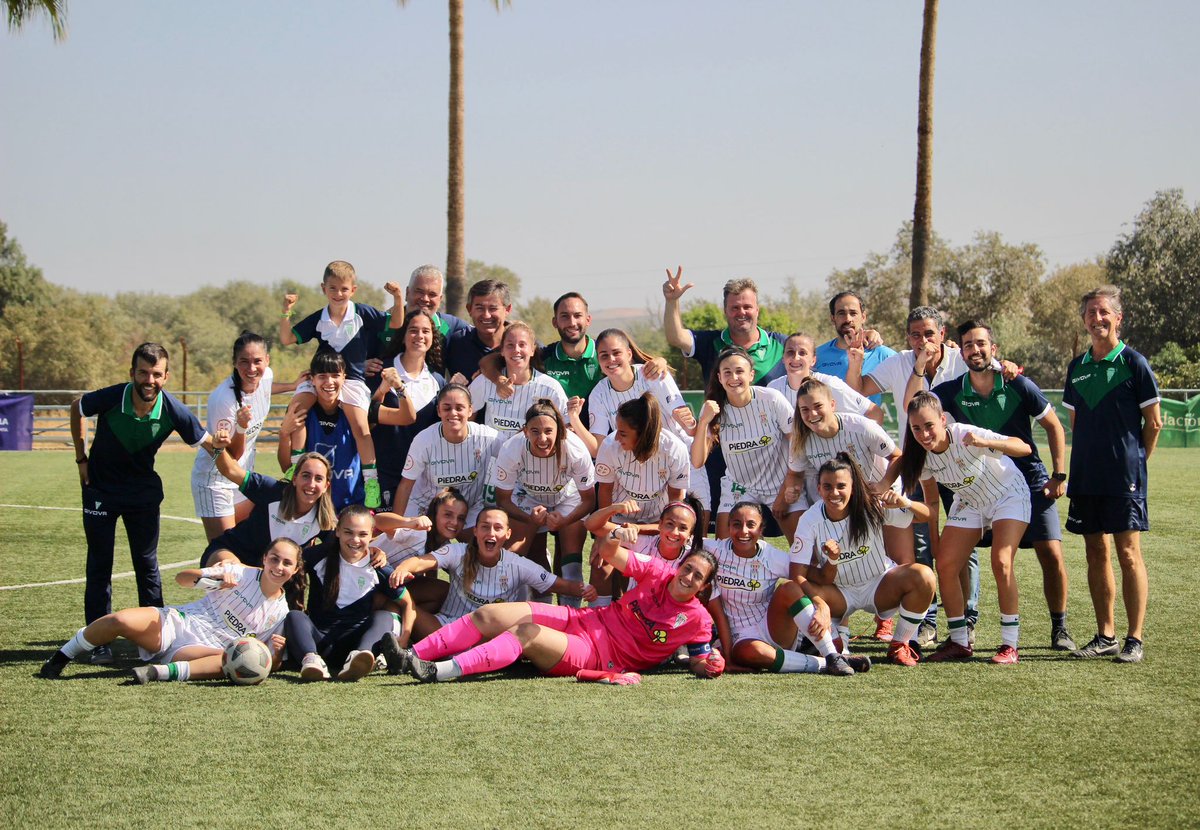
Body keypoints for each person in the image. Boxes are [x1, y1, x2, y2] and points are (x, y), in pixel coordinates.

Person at [377, 516, 725, 684]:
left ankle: (437, 672)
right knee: (490, 614)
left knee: (525, 633)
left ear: (704, 588)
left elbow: (699, 660)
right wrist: (618, 533)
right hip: (586, 620)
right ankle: (408, 657)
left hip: (600, 655)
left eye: (697, 576)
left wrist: (710, 666)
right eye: (688, 569)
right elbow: (607, 550)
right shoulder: (660, 572)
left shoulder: (698, 620)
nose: (688, 576)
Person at [932, 320, 1076, 651]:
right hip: (983, 484)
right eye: (968, 345)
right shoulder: (951, 391)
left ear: (993, 349)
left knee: (1050, 552)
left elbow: (1054, 427)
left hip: (1029, 477)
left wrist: (1058, 475)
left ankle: (1060, 628)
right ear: (961, 352)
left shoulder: (1018, 384)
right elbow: (922, 407)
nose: (975, 350)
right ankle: (965, 629)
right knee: (957, 557)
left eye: (981, 343)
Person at [70, 342, 215, 665]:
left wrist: (239, 438)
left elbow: (209, 444)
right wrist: (81, 458)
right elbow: (77, 406)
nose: (149, 380)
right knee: (99, 565)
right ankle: (97, 641)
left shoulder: (173, 409)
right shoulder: (112, 397)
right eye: (143, 373)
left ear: (166, 376)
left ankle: (156, 640)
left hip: (142, 494)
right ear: (132, 373)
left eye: (156, 374)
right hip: (101, 491)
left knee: (147, 565)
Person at [853, 306, 972, 648]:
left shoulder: (961, 359)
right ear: (908, 337)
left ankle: (967, 619)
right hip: (919, 463)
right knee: (923, 541)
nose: (923, 341)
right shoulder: (900, 361)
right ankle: (927, 619)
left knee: (963, 545)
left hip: (960, 461)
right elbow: (861, 388)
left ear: (943, 334)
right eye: (916, 335)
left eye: (929, 334)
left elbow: (990, 373)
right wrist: (862, 358)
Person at [891, 391, 1033, 664]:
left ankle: (1009, 646)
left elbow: (1024, 447)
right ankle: (959, 642)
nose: (924, 434)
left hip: (1008, 494)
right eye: (916, 428)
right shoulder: (921, 457)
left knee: (1001, 561)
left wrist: (985, 441)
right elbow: (932, 502)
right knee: (945, 565)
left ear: (943, 420)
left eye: (929, 425)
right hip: (970, 502)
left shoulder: (965, 434)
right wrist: (935, 542)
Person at [40, 538, 304, 683]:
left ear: (294, 570)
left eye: (286, 563)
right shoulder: (237, 572)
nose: (279, 566)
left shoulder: (280, 613)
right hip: (178, 623)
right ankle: (61, 658)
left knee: (233, 658)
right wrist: (212, 580)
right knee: (118, 620)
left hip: (204, 651)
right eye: (274, 558)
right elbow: (181, 579)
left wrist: (278, 653)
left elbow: (267, 662)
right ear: (264, 559)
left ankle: (157, 673)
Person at [1062, 286, 1161, 664]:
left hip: (1124, 478)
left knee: (1129, 554)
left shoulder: (1134, 363)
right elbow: (1075, 422)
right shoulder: (1077, 367)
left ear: (1118, 318)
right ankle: (1106, 634)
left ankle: (1134, 638)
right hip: (1086, 475)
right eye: (1090, 312)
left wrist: (1135, 462)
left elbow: (1153, 423)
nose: (1097, 318)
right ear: (1084, 319)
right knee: (1094, 551)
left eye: (1104, 312)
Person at [278, 261, 405, 508]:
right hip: (322, 377)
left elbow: (397, 323)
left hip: (351, 381)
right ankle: (296, 467)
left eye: (344, 289)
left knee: (361, 426)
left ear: (353, 290)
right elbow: (286, 338)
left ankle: (370, 482)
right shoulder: (319, 318)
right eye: (333, 288)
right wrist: (286, 311)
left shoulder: (362, 313)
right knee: (297, 408)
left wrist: (398, 297)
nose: (338, 294)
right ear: (324, 288)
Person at [791, 453, 937, 666]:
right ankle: (835, 641)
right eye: (828, 486)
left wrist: (905, 502)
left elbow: (928, 515)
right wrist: (820, 605)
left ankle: (900, 644)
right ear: (819, 488)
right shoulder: (809, 519)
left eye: (841, 486)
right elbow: (797, 574)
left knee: (924, 576)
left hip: (879, 584)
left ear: (852, 487)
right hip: (838, 593)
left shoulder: (871, 505)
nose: (835, 493)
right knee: (794, 589)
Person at [705, 501, 869, 677]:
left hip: (772, 626)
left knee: (789, 588)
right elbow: (683, 542)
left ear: (761, 530)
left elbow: (820, 577)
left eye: (751, 525)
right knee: (752, 653)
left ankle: (831, 654)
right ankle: (829, 662)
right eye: (737, 524)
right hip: (739, 636)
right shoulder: (715, 550)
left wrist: (832, 565)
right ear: (728, 527)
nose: (743, 531)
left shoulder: (772, 556)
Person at [383, 507, 595, 639]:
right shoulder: (457, 551)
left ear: (507, 534)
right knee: (400, 599)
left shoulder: (518, 565)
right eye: (484, 527)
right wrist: (403, 568)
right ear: (475, 532)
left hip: (488, 637)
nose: (490, 533)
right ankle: (390, 633)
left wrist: (586, 590)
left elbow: (562, 586)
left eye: (497, 528)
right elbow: (421, 562)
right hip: (445, 628)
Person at [579, 328, 709, 523]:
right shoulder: (598, 393)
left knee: (697, 522)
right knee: (660, 525)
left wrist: (692, 424)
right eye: (604, 355)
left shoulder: (652, 372)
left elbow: (682, 418)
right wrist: (573, 418)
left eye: (616, 353)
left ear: (629, 353)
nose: (611, 359)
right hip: (642, 464)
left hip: (680, 456)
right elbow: (597, 448)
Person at [191, 331, 304, 540]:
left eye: (257, 361)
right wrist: (241, 427)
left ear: (267, 360)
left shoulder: (266, 375)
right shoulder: (223, 400)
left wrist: (292, 386)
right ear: (234, 363)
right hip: (216, 480)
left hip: (242, 478)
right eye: (244, 362)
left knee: (250, 542)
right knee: (223, 551)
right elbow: (229, 457)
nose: (251, 369)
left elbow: (266, 386)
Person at [286, 505, 416, 682]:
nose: (355, 540)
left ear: (372, 535)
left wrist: (404, 639)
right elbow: (289, 563)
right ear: (337, 531)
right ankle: (312, 660)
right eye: (348, 532)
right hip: (320, 641)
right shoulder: (319, 556)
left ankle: (360, 658)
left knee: (385, 617)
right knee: (294, 617)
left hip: (355, 643)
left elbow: (408, 604)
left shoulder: (378, 566)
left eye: (363, 534)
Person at [775, 376, 904, 551]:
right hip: (845, 502)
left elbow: (897, 456)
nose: (812, 414)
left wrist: (883, 486)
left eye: (818, 406)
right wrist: (792, 489)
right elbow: (794, 474)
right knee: (853, 560)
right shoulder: (801, 439)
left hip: (880, 494)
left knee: (899, 556)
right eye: (804, 409)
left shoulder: (861, 427)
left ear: (833, 405)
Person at [277, 353, 416, 510]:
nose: (329, 382)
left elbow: (407, 417)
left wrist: (399, 387)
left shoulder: (356, 407)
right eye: (322, 376)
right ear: (312, 380)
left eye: (335, 375)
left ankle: (372, 482)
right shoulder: (303, 411)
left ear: (344, 378)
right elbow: (284, 467)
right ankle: (299, 467)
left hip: (350, 507)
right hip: (312, 507)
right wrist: (283, 434)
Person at [490, 401, 596, 605]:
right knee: (523, 556)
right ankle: (538, 612)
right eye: (535, 431)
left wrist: (565, 520)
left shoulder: (575, 449)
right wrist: (529, 519)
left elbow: (589, 500)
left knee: (571, 562)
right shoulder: (511, 449)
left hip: (567, 497)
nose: (542, 438)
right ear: (525, 431)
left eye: (549, 431)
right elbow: (503, 500)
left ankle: (570, 617)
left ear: (560, 430)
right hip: (527, 497)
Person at [691, 347, 797, 539]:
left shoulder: (772, 399)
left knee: (803, 548)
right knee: (726, 551)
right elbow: (697, 461)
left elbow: (796, 444)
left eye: (739, 371)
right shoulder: (713, 408)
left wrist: (788, 486)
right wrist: (704, 422)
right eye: (727, 373)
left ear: (751, 375)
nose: (734, 377)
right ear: (720, 377)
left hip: (779, 483)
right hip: (739, 487)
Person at [200, 449, 338, 568]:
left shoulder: (324, 520)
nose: (311, 484)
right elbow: (230, 470)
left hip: (273, 574)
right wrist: (218, 447)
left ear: (326, 486)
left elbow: (340, 545)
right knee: (233, 573)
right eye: (306, 476)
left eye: (318, 479)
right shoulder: (271, 490)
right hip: (233, 556)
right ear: (295, 479)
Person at [393, 383, 501, 529]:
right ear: (438, 411)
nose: (453, 413)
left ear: (470, 410)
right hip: (424, 508)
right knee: (413, 545)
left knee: (478, 544)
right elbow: (405, 486)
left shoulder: (489, 437)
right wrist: (396, 527)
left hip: (469, 509)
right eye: (447, 408)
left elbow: (516, 450)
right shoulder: (424, 440)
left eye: (459, 408)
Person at [370, 308, 447, 507]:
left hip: (423, 479)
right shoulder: (380, 370)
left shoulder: (437, 381)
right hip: (384, 475)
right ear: (403, 336)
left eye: (426, 331)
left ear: (432, 338)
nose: (419, 336)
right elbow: (366, 419)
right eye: (413, 330)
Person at [663, 269, 788, 386]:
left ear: (757, 310)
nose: (741, 312)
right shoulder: (710, 343)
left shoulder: (783, 345)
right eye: (735, 308)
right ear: (725, 311)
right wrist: (672, 301)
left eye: (747, 307)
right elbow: (676, 337)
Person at [466, 321, 568, 441]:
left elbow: (566, 426)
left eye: (522, 344)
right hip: (493, 457)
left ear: (532, 350)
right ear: (502, 350)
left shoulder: (550, 387)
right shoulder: (485, 381)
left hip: (532, 458)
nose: (516, 350)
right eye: (510, 345)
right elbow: (466, 416)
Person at [370, 488, 467, 612]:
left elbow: (429, 573)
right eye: (448, 515)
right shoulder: (419, 532)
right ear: (434, 514)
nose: (454, 522)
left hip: (390, 584)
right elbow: (377, 520)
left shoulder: (445, 545)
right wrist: (408, 521)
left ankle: (407, 620)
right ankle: (391, 611)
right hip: (369, 577)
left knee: (440, 591)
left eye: (461, 518)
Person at [767, 331, 883, 423]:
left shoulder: (830, 385)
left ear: (813, 360)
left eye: (802, 353)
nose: (795, 358)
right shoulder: (773, 389)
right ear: (783, 358)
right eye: (790, 352)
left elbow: (874, 413)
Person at [812, 291, 897, 406]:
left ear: (863, 317)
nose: (848, 319)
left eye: (853, 313)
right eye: (841, 313)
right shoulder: (817, 356)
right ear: (833, 318)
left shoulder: (881, 353)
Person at [443, 279, 514, 380]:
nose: (486, 315)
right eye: (479, 308)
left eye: (493, 308)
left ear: (507, 309)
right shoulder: (456, 343)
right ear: (469, 309)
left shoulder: (522, 346)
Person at [403, 264, 470, 341]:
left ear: (440, 299)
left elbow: (482, 335)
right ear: (407, 293)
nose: (425, 299)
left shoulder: (449, 325)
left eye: (432, 294)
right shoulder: (386, 322)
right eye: (419, 292)